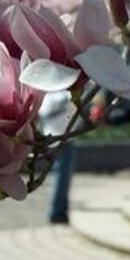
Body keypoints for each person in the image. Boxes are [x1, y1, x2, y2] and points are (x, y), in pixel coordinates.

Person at [38, 91, 77, 224]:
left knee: (62, 176)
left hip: (56, 137)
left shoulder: (50, 95)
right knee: (62, 176)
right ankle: (57, 213)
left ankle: (60, 211)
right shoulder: (60, 95)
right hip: (60, 138)